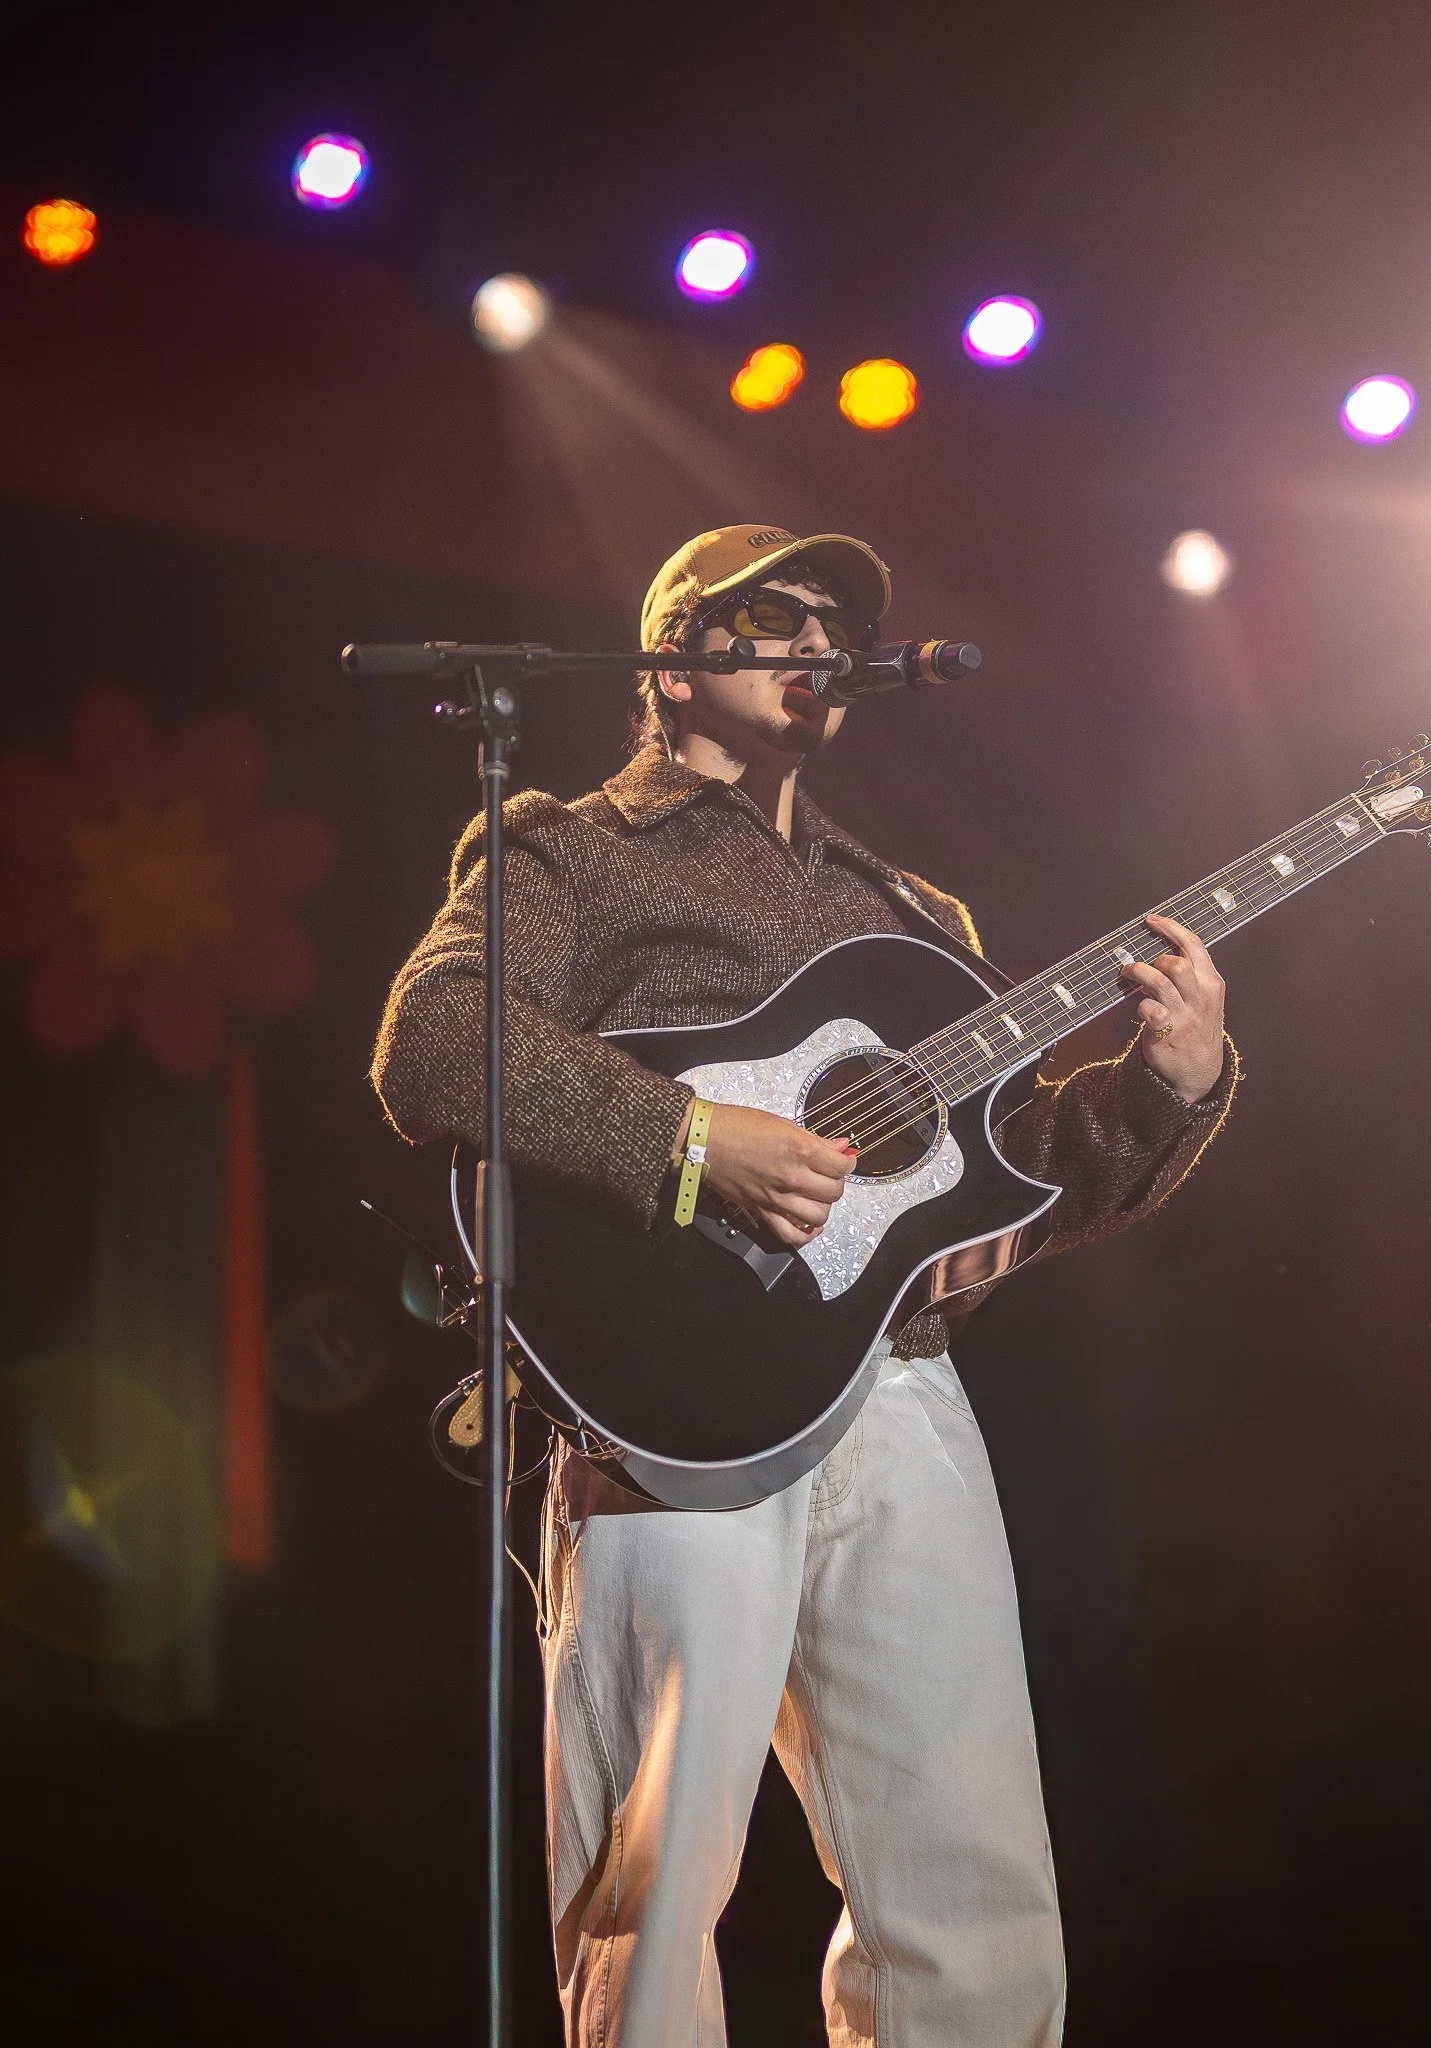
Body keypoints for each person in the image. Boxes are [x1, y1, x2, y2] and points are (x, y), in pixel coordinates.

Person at [372, 524, 1237, 2047]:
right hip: (665, 1396)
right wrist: (693, 1141)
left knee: (965, 1875)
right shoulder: (568, 849)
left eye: (839, 623)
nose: (820, 643)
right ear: (670, 659)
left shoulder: (914, 914)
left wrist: (1166, 1087)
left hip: (896, 1390)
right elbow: (435, 1044)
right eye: (779, 617)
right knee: (653, 1880)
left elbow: (1002, 1200)